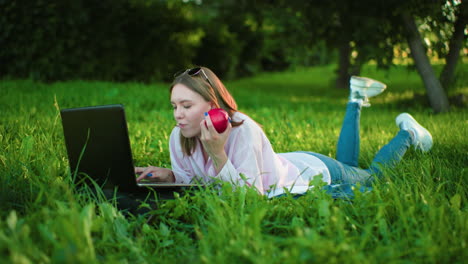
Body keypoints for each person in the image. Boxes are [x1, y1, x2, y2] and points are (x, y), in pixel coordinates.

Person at [135, 67, 433, 198]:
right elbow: (198, 184)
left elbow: (249, 197)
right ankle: (355, 99)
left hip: (313, 171)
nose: (178, 115)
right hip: (291, 161)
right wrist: (171, 176)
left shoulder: (243, 129)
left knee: (373, 176)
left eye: (186, 105)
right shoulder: (180, 136)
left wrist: (218, 153)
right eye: (174, 106)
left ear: (213, 107)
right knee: (352, 167)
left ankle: (408, 133)